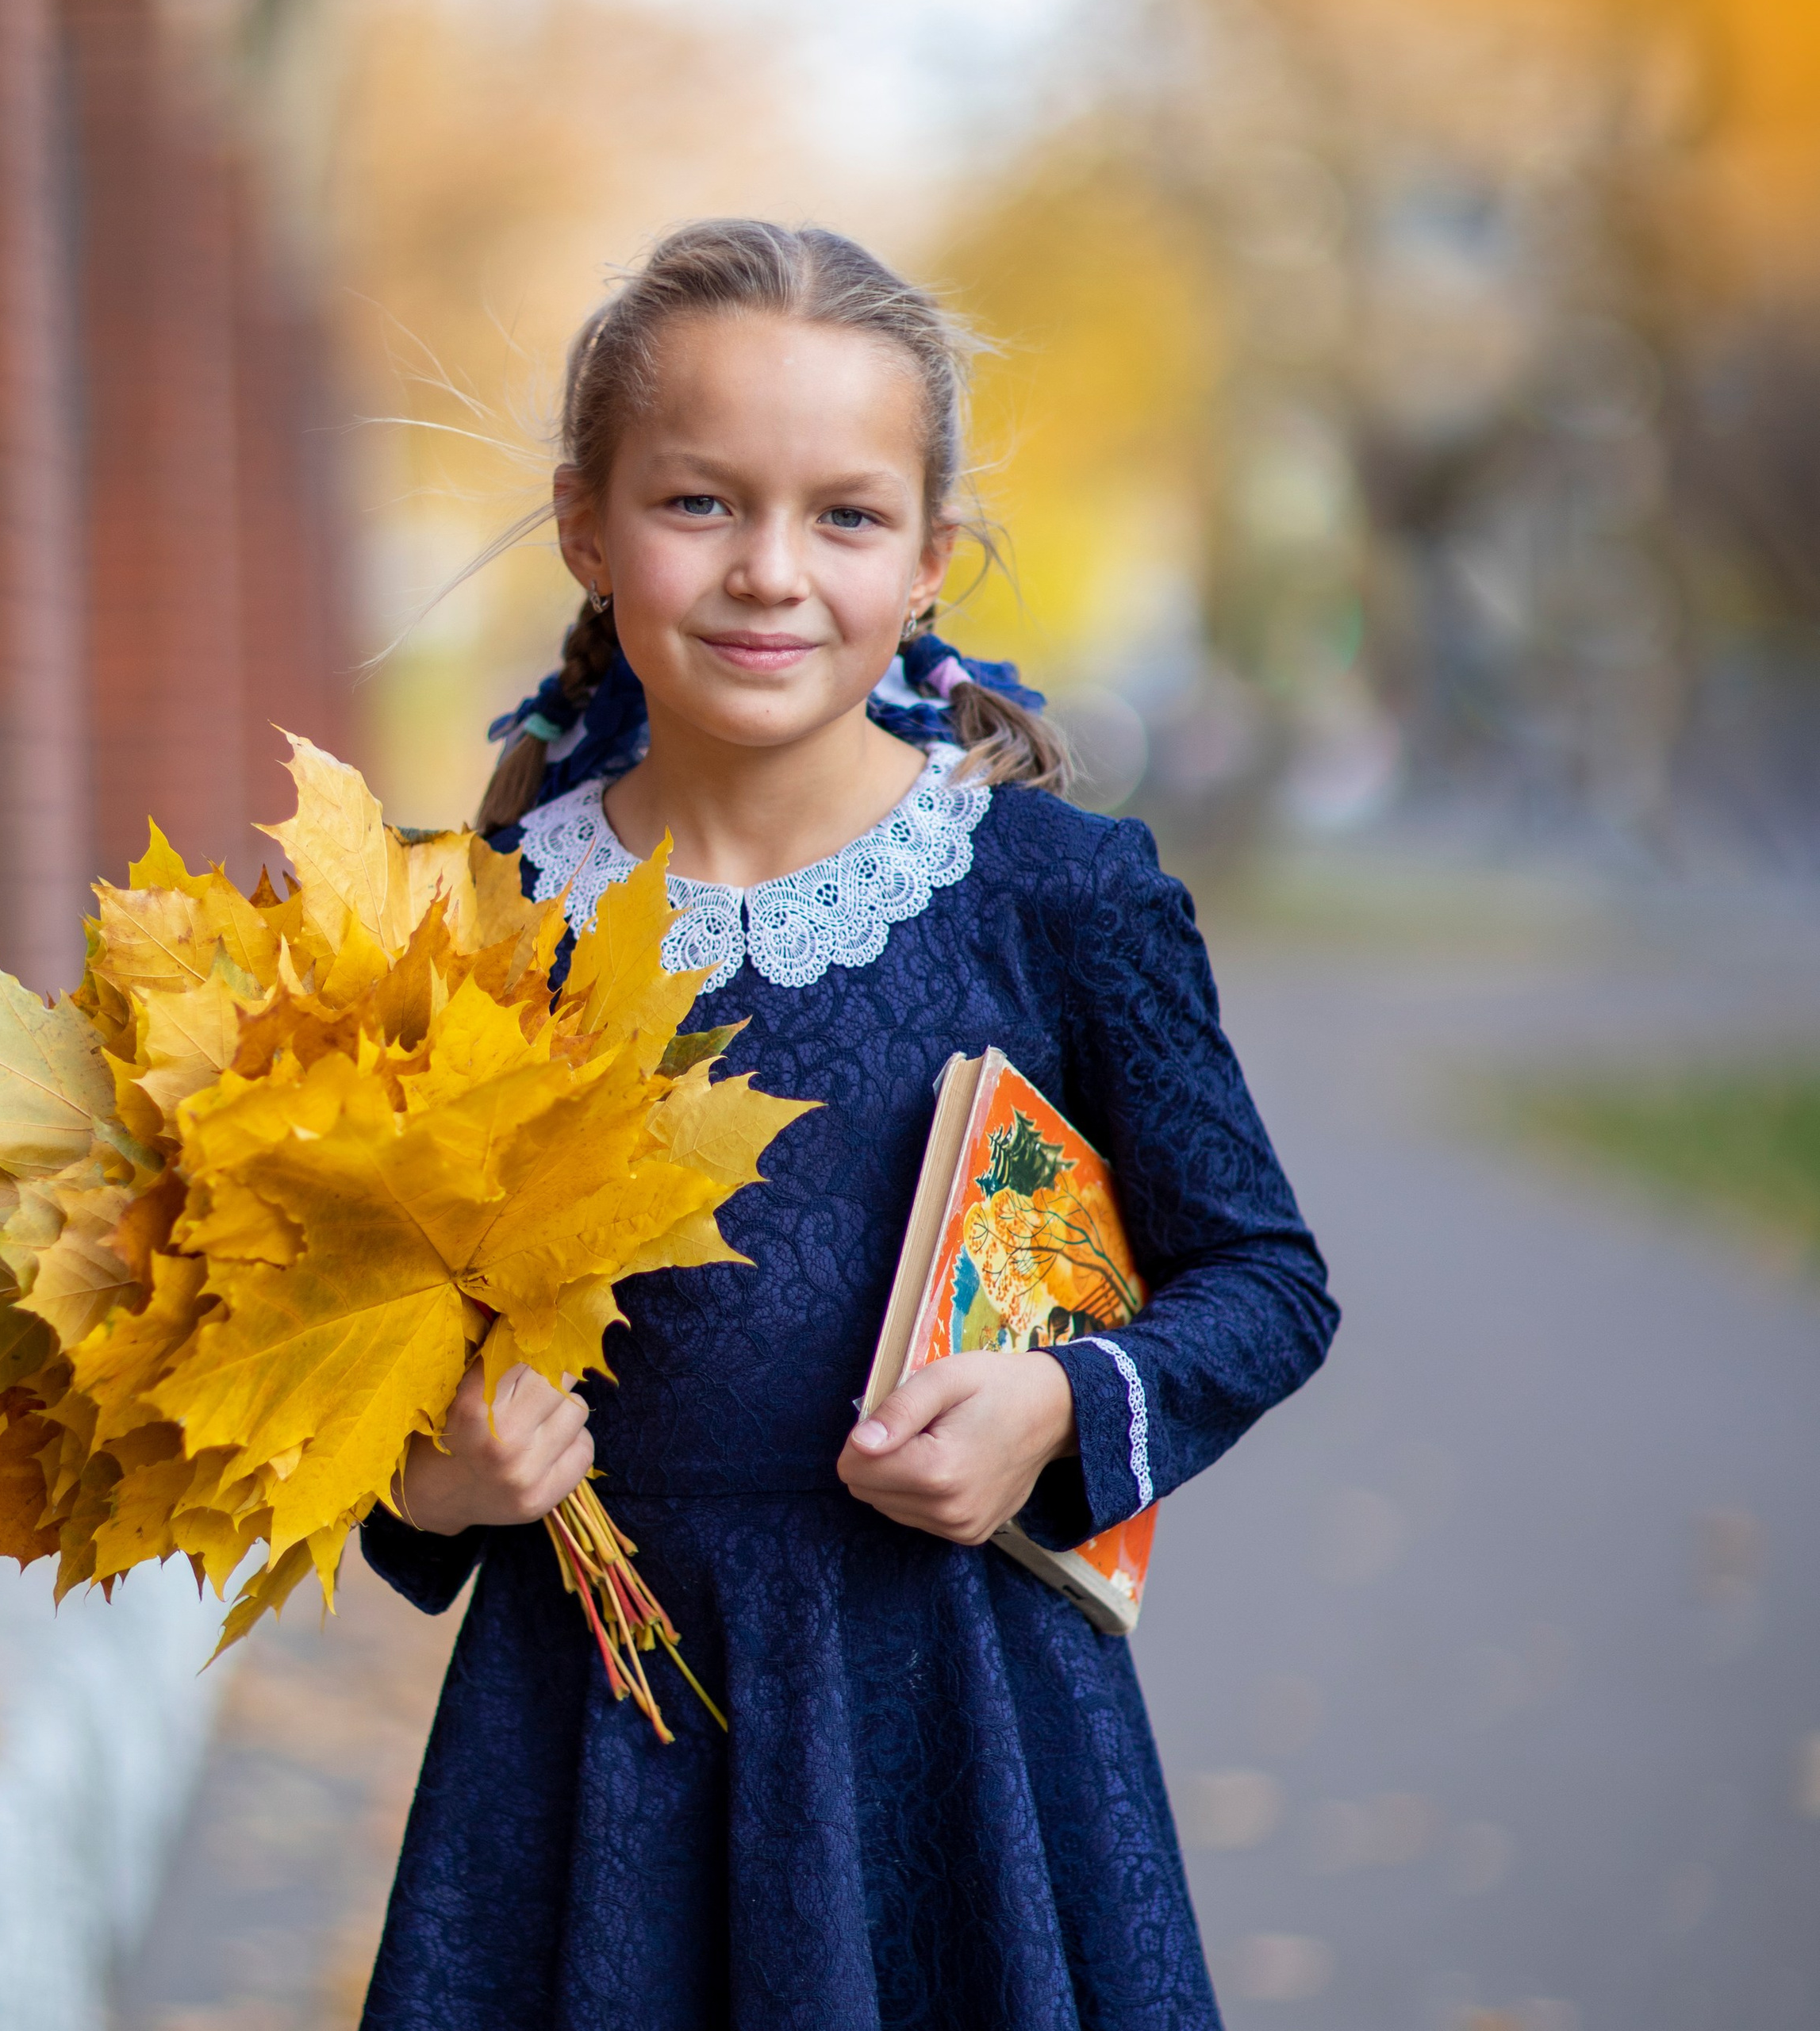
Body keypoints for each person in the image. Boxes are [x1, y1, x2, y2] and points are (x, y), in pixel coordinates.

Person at [358, 219, 1338, 2031]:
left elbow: (1262, 1279)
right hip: (583, 1746)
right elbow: (365, 1355)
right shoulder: (471, 927)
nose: (767, 573)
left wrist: (1053, 1403)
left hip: (957, 1739)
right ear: (586, 524)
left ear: (929, 560)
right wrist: (433, 1481)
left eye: (844, 515)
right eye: (698, 503)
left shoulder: (1055, 893)